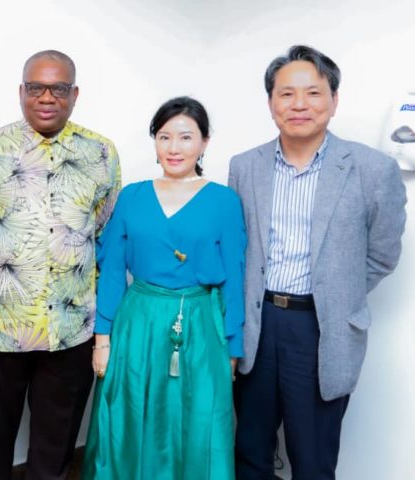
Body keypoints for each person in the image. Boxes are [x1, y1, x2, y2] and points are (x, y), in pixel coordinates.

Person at [230, 45, 407, 479]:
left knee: (312, 458)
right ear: (271, 102)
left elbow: (382, 254)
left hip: (321, 329)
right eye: (286, 94)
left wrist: (334, 292)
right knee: (249, 448)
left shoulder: (372, 169)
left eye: (313, 93)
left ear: (334, 99)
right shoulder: (244, 166)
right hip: (257, 324)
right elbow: (238, 247)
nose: (299, 104)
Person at [0, 50, 122, 480]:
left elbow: (105, 238)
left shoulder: (101, 153)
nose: (47, 97)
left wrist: (103, 323)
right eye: (36, 88)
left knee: (55, 446)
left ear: (75, 94)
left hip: (71, 326)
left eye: (58, 88)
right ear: (21, 91)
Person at [82, 97, 244, 480]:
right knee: (131, 415)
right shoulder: (132, 196)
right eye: (164, 136)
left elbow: (236, 278)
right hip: (138, 322)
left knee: (199, 421)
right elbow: (112, 270)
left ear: (204, 142)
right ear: (155, 141)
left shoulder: (224, 201)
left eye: (186, 137)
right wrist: (102, 340)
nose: (174, 147)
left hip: (201, 326)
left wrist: (232, 349)